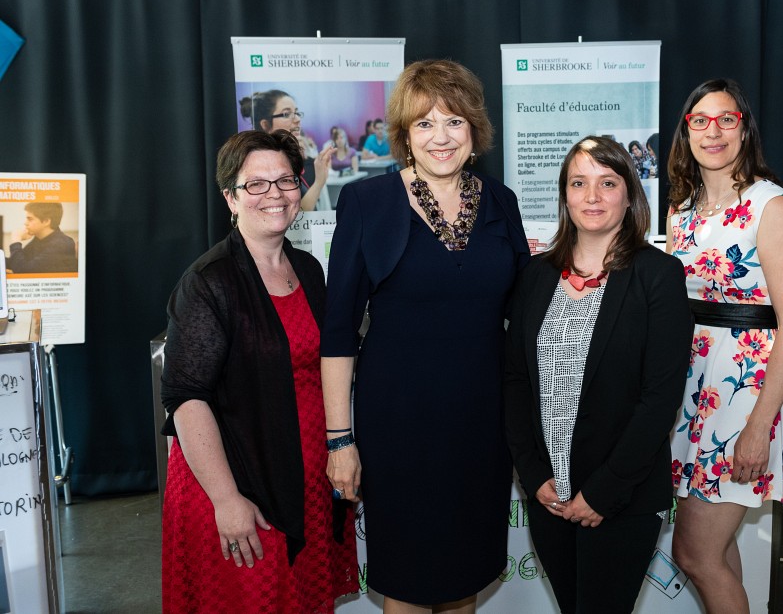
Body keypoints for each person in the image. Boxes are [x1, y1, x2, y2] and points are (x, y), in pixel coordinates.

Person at [322, 59, 530, 614]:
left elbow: (525, 312)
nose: (441, 136)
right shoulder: (367, 203)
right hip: (398, 427)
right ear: (405, 134)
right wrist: (340, 441)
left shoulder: (501, 202)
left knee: (465, 576)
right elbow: (338, 332)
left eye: (454, 121)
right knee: (409, 582)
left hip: (481, 426)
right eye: (425, 123)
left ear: (474, 130)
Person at [160, 130, 358, 613]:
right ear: (231, 197)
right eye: (256, 184)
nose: (275, 194)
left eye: (286, 180)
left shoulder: (308, 269)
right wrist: (226, 500)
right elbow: (186, 398)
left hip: (307, 477)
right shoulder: (208, 282)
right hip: (238, 484)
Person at [504, 135, 692, 614]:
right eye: (578, 183)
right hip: (549, 495)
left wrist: (603, 492)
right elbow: (516, 381)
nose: (592, 196)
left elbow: (660, 398)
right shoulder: (535, 276)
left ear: (629, 195)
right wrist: (534, 475)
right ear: (564, 196)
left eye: (607, 183)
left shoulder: (659, 275)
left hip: (621, 497)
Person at [666, 78, 783, 613]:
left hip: (746, 392)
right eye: (700, 120)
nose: (714, 131)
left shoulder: (771, 206)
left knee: (695, 553)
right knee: (718, 552)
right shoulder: (682, 209)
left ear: (744, 129)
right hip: (693, 391)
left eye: (727, 119)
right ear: (687, 131)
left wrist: (757, 428)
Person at [239, 89, 332, 210]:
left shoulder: (287, 157)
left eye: (296, 112)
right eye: (286, 114)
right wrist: (319, 181)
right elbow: (296, 213)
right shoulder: (262, 164)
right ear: (265, 125)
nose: (297, 119)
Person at [6, 202, 77, 273]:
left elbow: (23, 270)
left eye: (30, 219)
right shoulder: (40, 239)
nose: (25, 223)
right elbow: (16, 263)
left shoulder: (61, 244)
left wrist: (16, 240)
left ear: (46, 221)